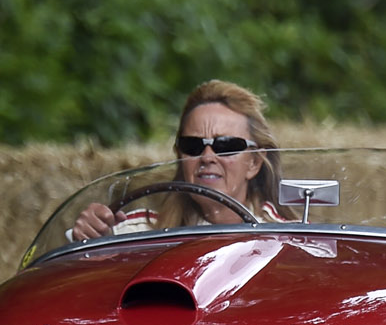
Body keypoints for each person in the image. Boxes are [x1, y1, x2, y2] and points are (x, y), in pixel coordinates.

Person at [71, 80, 287, 242]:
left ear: (254, 163)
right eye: (192, 146)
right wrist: (94, 235)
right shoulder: (138, 235)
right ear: (180, 156)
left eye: (226, 146)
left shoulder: (287, 239)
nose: (207, 157)